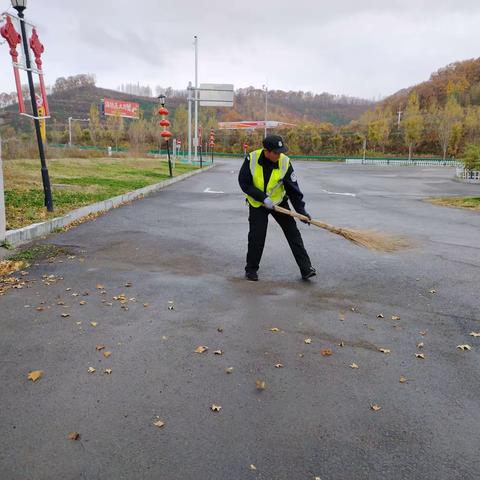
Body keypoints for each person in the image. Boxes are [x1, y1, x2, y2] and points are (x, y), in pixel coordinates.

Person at [238, 134, 316, 281]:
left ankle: (306, 269)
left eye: (281, 152)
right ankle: (251, 270)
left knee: (293, 233)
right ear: (266, 151)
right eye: (276, 152)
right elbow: (244, 183)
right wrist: (262, 197)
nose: (279, 155)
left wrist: (301, 212)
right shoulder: (252, 158)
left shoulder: (285, 162)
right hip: (258, 203)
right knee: (257, 236)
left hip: (279, 202)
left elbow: (294, 190)